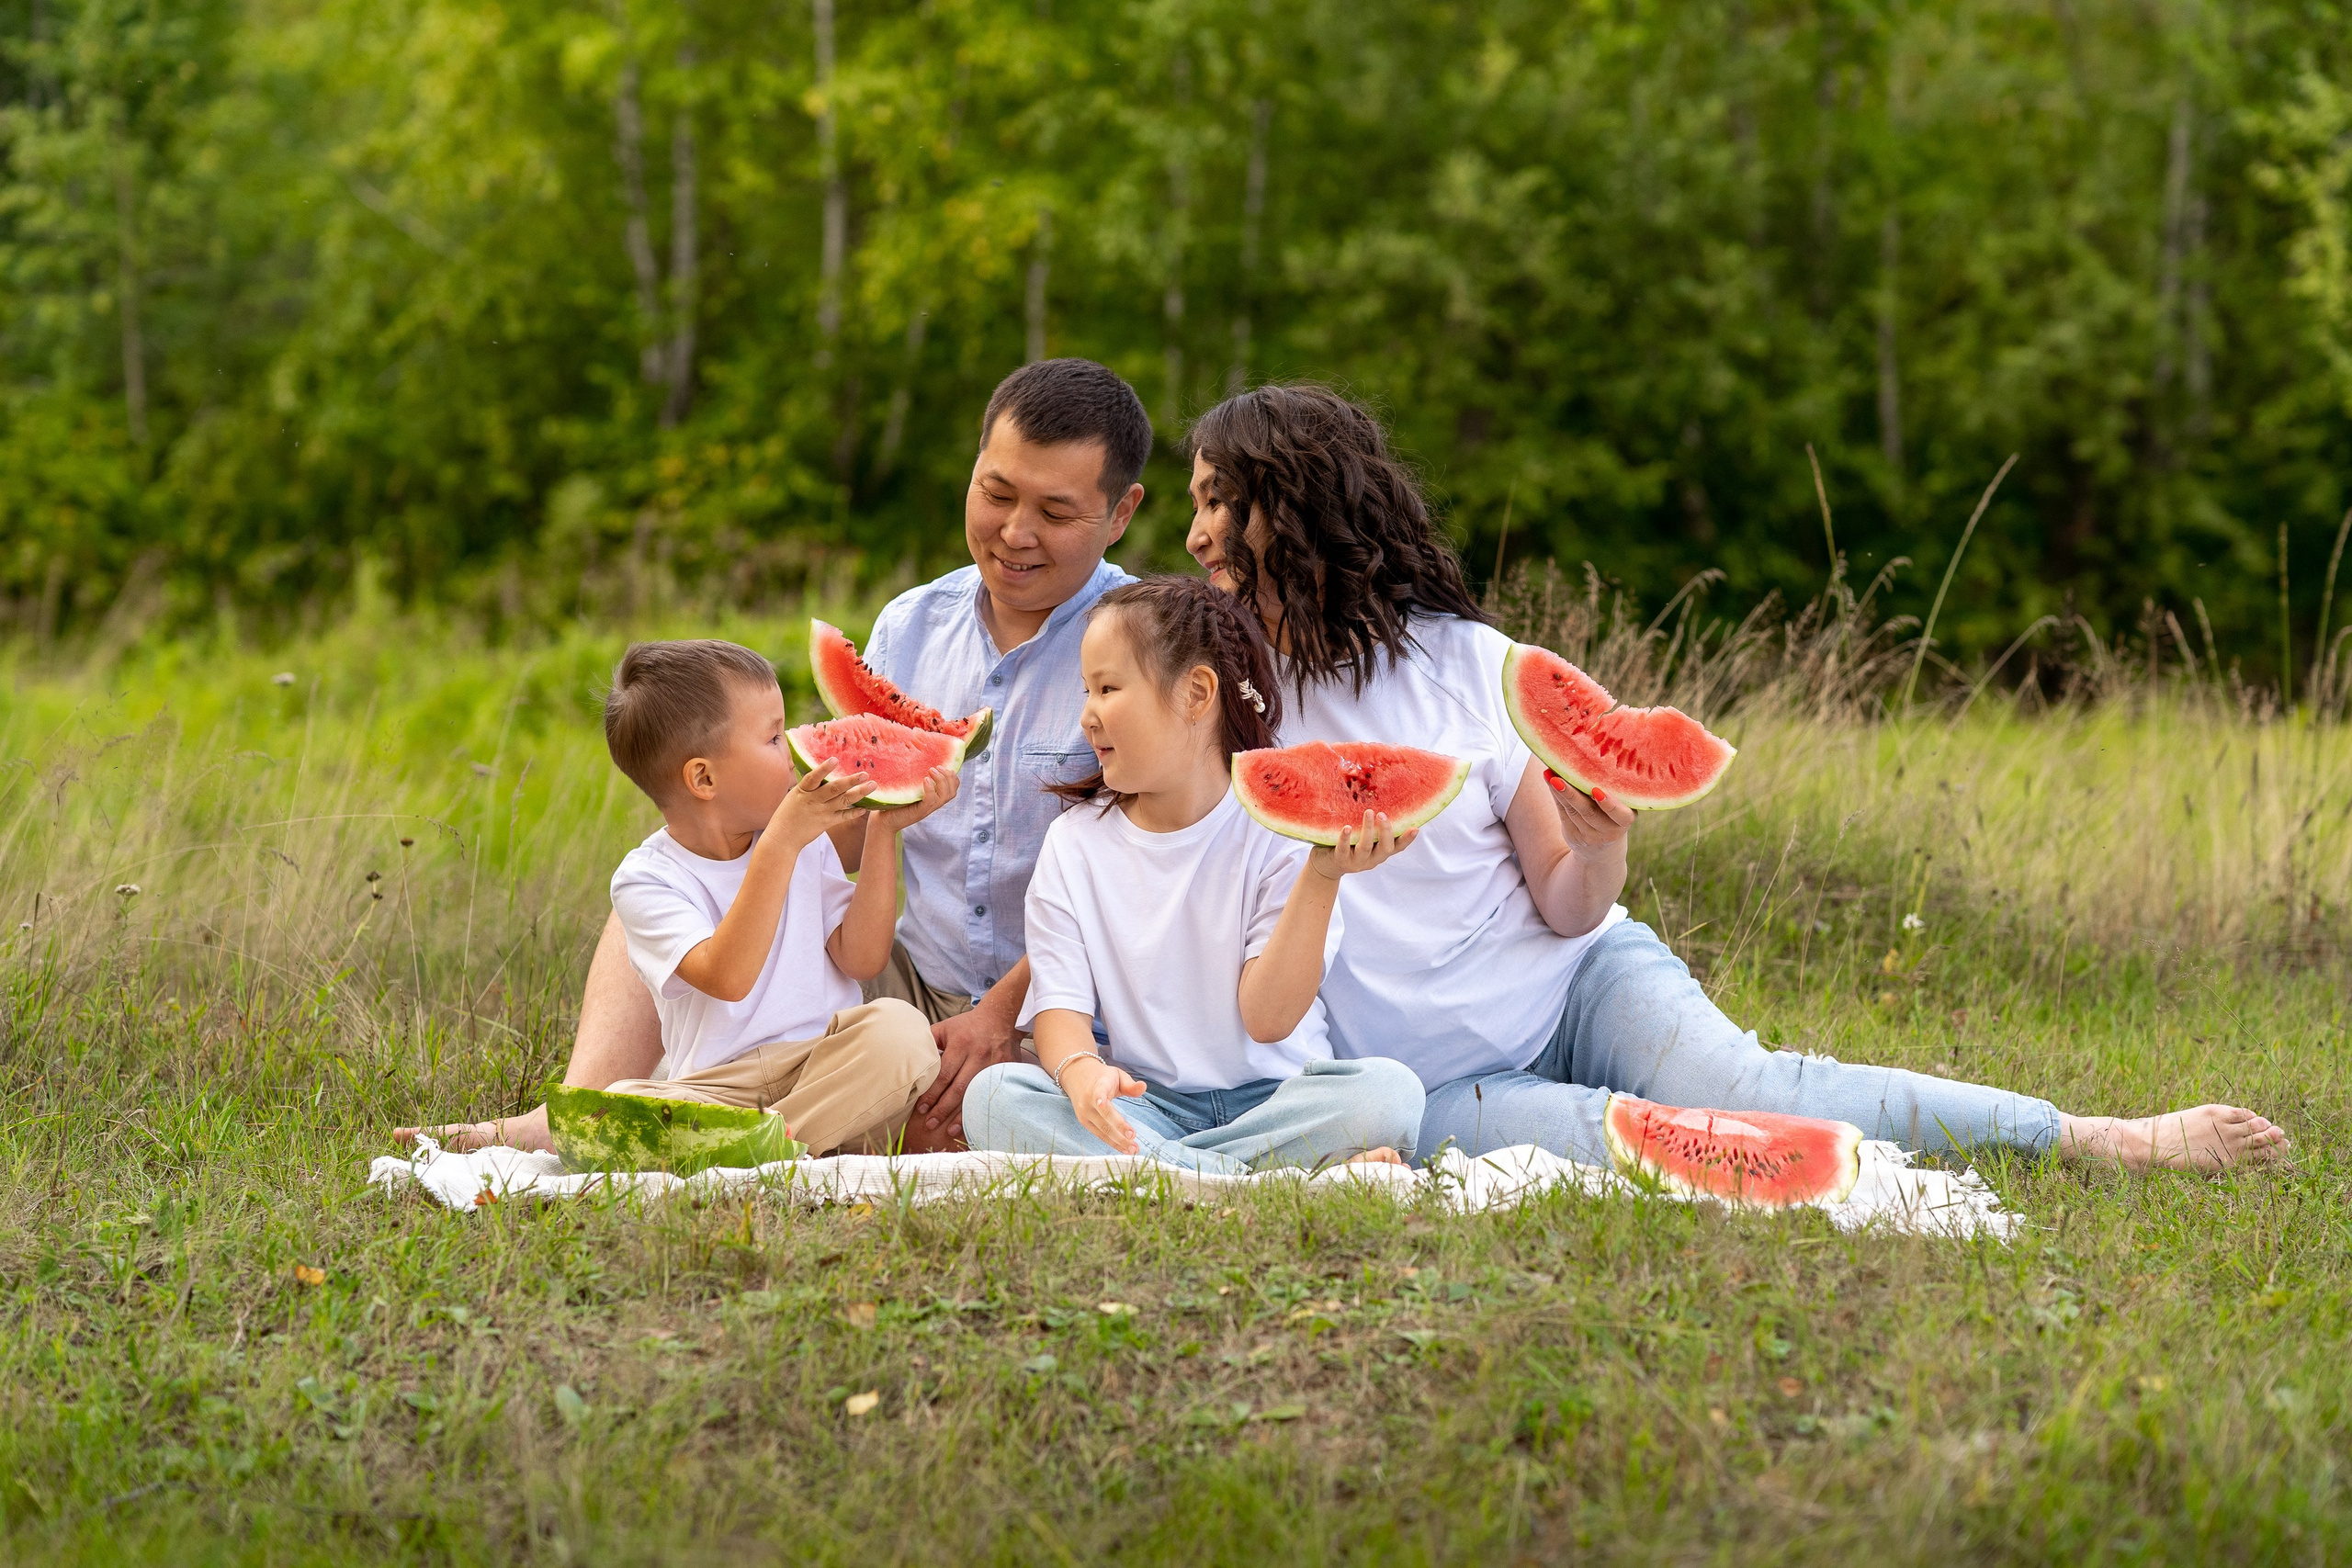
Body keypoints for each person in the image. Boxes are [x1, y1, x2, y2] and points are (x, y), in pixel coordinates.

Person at [1180, 383, 2291, 1174]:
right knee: (1651, 1142)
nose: (1193, 536)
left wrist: (1603, 837)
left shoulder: (1475, 668)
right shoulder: (1221, 695)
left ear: (1299, 507)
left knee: (1759, 1092)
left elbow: (1566, 908)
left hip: (1577, 973)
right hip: (1429, 1081)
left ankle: (2090, 1136)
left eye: (1217, 503)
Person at [401, 358, 1149, 1155]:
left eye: (1056, 511)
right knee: (659, 892)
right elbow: (855, 833)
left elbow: (1131, 885)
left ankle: (715, 1139)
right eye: (996, 493)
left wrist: (1000, 1013)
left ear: (1121, 512)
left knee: (984, 1114)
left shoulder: (1147, 649)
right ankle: (577, 1116)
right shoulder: (910, 626)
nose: (1014, 531)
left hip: (1056, 1005)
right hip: (898, 976)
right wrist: (772, 844)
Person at [963, 576, 1425, 1173]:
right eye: (1086, 691)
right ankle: (1260, 1181)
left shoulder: (1282, 832)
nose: (1087, 717)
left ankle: (1173, 1175)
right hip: (1147, 1103)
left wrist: (1322, 875)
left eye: (1107, 688)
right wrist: (1081, 1075)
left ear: (1197, 693)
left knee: (1390, 1093)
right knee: (996, 1096)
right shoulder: (1073, 845)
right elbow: (1061, 1010)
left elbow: (1269, 1018)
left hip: (1279, 1100)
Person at [579, 639, 955, 1153]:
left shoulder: (803, 842)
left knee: (903, 1033)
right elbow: (728, 977)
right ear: (703, 778)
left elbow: (863, 959)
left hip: (823, 1066)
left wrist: (882, 833)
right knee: (617, 1100)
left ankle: (749, 1148)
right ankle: (772, 1145)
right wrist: (780, 843)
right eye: (774, 738)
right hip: (719, 1085)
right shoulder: (646, 880)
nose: (795, 747)